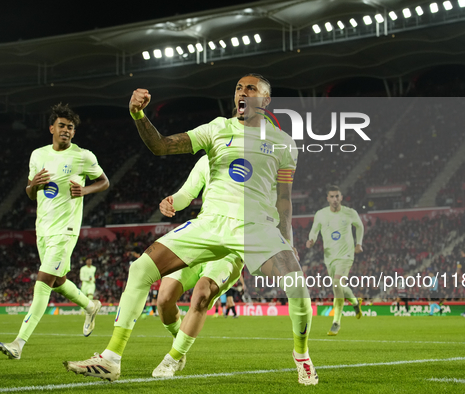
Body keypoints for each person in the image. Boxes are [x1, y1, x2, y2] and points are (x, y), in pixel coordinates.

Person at [64, 74, 318, 385]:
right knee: (141, 268)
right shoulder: (217, 129)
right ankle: (112, 358)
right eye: (238, 87)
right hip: (210, 223)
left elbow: (284, 200)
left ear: (265, 100)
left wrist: (288, 241)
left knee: (298, 287)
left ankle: (302, 356)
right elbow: (161, 146)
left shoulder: (284, 143)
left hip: (255, 228)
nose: (242, 92)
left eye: (250, 88)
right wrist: (138, 115)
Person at [0, 103, 110, 360]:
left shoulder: (83, 156)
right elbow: (29, 192)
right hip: (43, 228)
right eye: (62, 126)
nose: (66, 131)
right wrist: (32, 186)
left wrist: (85, 190)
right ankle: (90, 305)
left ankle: (19, 343)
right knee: (58, 281)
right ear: (51, 128)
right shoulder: (37, 155)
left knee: (43, 282)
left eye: (70, 127)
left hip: (66, 230)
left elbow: (104, 182)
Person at [153, 154, 245, 376]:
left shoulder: (262, 162)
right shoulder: (209, 159)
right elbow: (186, 193)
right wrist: (172, 201)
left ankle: (172, 359)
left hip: (232, 247)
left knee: (202, 293)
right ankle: (180, 341)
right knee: (164, 300)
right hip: (202, 238)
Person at [306, 185, 364, 336]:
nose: (335, 199)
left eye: (337, 196)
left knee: (337, 284)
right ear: (327, 198)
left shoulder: (350, 213)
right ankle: (355, 302)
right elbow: (314, 230)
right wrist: (311, 239)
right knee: (339, 287)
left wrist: (359, 243)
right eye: (332, 196)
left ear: (341, 197)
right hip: (329, 257)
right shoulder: (321, 214)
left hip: (346, 256)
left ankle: (336, 322)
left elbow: (360, 226)